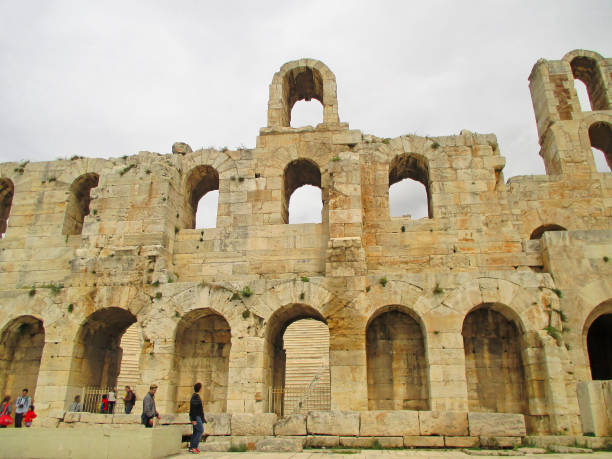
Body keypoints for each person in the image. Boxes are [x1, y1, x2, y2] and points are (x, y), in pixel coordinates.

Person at [188, 382, 207, 454]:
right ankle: (194, 447)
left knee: (196, 432)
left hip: (196, 417)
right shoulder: (195, 397)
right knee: (200, 431)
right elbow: (193, 408)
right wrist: (193, 419)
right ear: (200, 388)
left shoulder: (195, 396)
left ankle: (191, 447)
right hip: (196, 417)